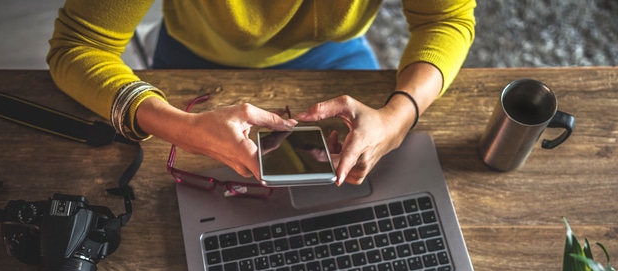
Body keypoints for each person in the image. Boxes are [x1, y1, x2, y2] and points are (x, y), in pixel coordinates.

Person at [48, 1, 475, 186]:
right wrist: (182, 128)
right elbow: (79, 46)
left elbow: (447, 19)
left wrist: (400, 116)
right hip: (195, 53)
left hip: (332, 52)